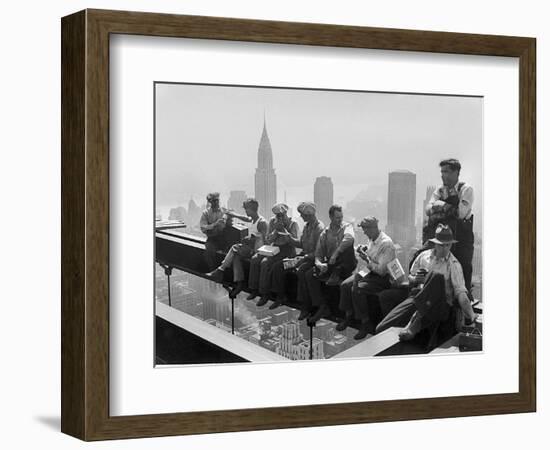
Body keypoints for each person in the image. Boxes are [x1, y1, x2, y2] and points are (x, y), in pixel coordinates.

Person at [375, 224, 477, 342]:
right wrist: (416, 279)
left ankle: (414, 324)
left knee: (436, 277)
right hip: (418, 298)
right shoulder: (424, 256)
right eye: (441, 245)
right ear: (435, 244)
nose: (444, 249)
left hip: (439, 305)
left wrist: (471, 315)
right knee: (381, 328)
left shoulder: (453, 265)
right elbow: (411, 277)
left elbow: (461, 294)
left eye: (447, 245)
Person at [336, 216, 396, 340]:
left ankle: (365, 322)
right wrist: (364, 251)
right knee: (345, 285)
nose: (364, 232)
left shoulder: (386, 244)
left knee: (357, 288)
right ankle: (348, 316)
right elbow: (372, 256)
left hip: (381, 278)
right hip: (368, 271)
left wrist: (366, 259)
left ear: (373, 228)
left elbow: (382, 270)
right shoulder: (372, 239)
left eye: (365, 229)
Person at [425, 158, 475, 293]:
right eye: (442, 171)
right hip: (442, 237)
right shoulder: (440, 190)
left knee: (463, 267)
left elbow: (460, 213)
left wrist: (442, 205)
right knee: (426, 259)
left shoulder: (466, 190)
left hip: (462, 237)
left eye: (446, 171)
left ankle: (464, 300)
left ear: (456, 172)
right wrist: (445, 209)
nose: (442, 175)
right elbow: (428, 210)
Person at [267, 202, 325, 312]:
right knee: (279, 266)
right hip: (304, 257)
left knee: (302, 271)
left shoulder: (319, 229)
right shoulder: (307, 226)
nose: (301, 216)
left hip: (312, 260)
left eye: (302, 214)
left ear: (308, 215)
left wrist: (304, 258)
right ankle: (280, 296)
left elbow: (319, 252)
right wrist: (286, 234)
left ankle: (305, 304)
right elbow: (301, 244)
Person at [304, 205, 357, 323]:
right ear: (331, 217)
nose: (340, 220)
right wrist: (319, 265)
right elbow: (318, 255)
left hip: (345, 263)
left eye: (341, 217)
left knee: (346, 248)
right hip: (332, 264)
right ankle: (321, 305)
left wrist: (336, 253)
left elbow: (349, 238)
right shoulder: (325, 233)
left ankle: (336, 274)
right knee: (309, 274)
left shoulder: (347, 227)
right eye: (337, 217)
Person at [205, 198, 267, 297]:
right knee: (236, 257)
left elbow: (264, 237)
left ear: (251, 209)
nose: (245, 211)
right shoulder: (253, 219)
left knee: (235, 247)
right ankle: (239, 284)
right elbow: (244, 218)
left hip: (256, 250)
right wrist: (231, 214)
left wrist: (251, 238)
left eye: (246, 209)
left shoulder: (262, 222)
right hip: (249, 248)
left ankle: (220, 270)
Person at [246, 203, 299, 307]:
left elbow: (296, 243)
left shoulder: (293, 223)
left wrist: (284, 231)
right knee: (255, 259)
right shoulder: (272, 221)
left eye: (281, 215)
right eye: (277, 215)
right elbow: (268, 240)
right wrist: (275, 232)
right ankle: (254, 288)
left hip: (287, 251)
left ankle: (265, 293)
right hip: (274, 249)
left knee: (266, 263)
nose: (279, 217)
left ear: (285, 213)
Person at [199, 192, 227, 271]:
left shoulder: (224, 211)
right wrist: (214, 225)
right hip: (212, 239)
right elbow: (203, 227)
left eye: (217, 200)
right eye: (214, 201)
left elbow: (225, 225)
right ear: (210, 202)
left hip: (224, 239)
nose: (216, 202)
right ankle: (213, 270)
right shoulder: (206, 213)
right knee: (209, 253)